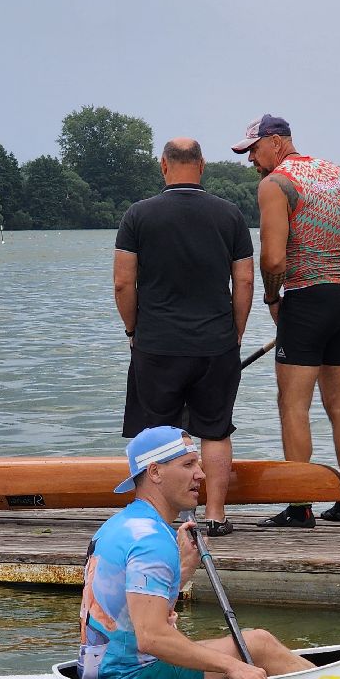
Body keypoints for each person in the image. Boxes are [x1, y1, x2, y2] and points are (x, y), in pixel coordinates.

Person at [233, 114, 340, 528]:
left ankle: (300, 506)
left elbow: (273, 259)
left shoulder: (276, 183)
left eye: (253, 150)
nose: (251, 160)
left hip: (304, 300)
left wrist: (272, 298)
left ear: (275, 142)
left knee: (293, 403)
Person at [78, 426, 307, 679]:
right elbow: (151, 638)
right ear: (155, 472)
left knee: (253, 644)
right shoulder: (152, 540)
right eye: (188, 465)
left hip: (99, 671)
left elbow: (133, 612)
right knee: (259, 645)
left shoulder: (119, 525)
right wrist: (233, 666)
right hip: (131, 678)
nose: (201, 474)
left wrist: (184, 567)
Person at [113, 138, 253, 536]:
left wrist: (133, 330)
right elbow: (244, 280)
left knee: (159, 435)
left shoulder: (138, 215)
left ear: (163, 165)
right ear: (202, 166)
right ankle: (216, 516)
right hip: (216, 343)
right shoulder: (230, 215)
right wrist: (235, 332)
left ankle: (160, 519)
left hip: (157, 344)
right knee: (216, 429)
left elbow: (123, 283)